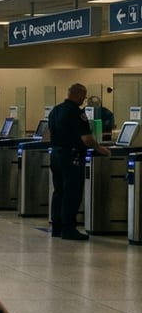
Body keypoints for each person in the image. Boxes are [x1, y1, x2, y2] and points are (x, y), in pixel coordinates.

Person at [48, 83, 108, 240]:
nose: (84, 99)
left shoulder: (56, 110)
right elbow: (86, 138)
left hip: (55, 154)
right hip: (71, 156)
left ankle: (57, 227)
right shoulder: (76, 112)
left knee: (59, 190)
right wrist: (99, 148)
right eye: (84, 95)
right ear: (78, 94)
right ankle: (68, 228)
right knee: (72, 192)